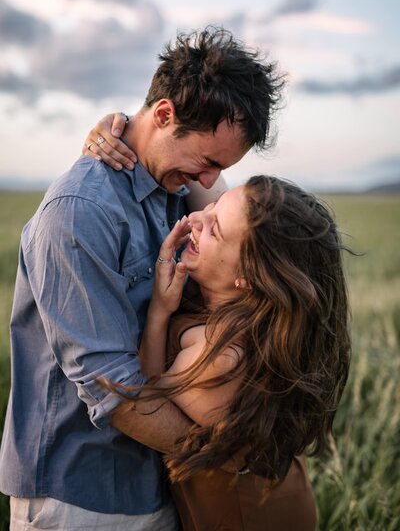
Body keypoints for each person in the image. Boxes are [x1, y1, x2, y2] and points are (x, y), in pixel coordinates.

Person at [0, 27, 284, 529]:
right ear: (165, 115)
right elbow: (115, 391)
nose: (210, 181)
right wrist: (235, 458)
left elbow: (250, 239)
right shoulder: (79, 213)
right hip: (82, 498)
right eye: (209, 161)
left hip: (159, 487)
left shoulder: (175, 189)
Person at [102, 174, 351, 530]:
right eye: (213, 206)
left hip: (248, 517)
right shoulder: (253, 319)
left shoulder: (221, 360)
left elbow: (142, 403)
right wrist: (124, 130)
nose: (195, 218)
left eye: (214, 228)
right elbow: (199, 167)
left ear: (248, 276)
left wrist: (158, 312)